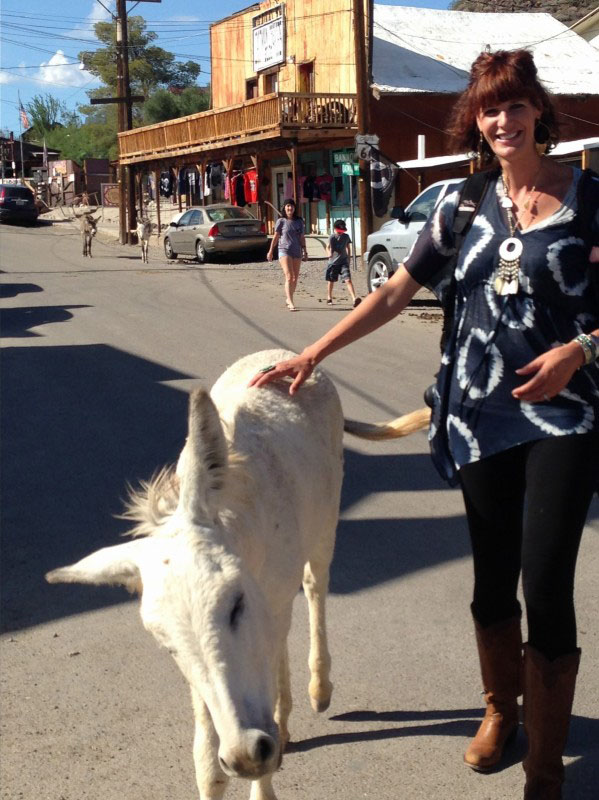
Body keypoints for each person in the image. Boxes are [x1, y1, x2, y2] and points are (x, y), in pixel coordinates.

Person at [250, 49, 599, 800]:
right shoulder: (462, 204)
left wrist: (581, 349)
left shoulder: (591, 199)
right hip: (475, 417)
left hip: (564, 417)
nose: (502, 121)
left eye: (514, 105)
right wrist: (313, 351)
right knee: (491, 579)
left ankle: (544, 770)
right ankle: (500, 711)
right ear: (476, 121)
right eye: (488, 109)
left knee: (545, 581)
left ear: (538, 111)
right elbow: (393, 293)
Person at [267, 198, 307, 311]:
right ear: (284, 208)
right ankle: (290, 301)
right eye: (288, 206)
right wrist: (270, 251)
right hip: (284, 250)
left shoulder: (299, 221)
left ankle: (289, 298)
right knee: (289, 276)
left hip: (297, 251)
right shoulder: (281, 221)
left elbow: (302, 237)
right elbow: (275, 237)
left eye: (292, 206)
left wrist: (305, 251)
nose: (290, 208)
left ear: (294, 208)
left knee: (295, 278)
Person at [325, 220, 361, 308]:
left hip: (343, 262)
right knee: (331, 281)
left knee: (348, 280)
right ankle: (329, 297)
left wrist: (349, 258)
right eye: (339, 230)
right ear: (335, 228)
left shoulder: (346, 237)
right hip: (333, 263)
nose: (341, 232)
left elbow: (348, 247)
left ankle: (354, 299)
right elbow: (327, 247)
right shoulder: (332, 237)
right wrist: (328, 253)